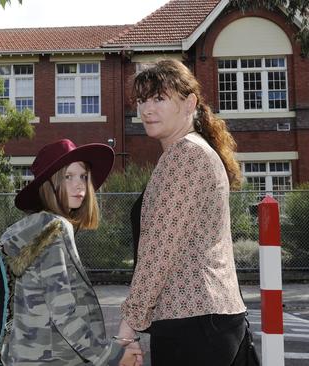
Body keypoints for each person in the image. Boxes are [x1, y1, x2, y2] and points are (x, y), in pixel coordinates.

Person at [118, 59, 248, 366]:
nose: (146, 109)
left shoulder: (186, 155)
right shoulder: (193, 151)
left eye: (159, 99)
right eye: (142, 100)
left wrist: (128, 327)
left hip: (194, 323)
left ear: (190, 102)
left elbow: (159, 250)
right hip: (207, 320)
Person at [0, 139, 143, 366]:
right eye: (68, 177)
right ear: (49, 184)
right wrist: (112, 356)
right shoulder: (54, 229)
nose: (80, 186)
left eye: (83, 176)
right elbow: (63, 313)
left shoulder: (29, 228)